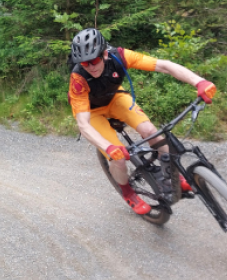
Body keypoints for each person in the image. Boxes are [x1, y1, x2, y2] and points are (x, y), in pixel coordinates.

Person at [67, 27, 217, 215]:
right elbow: (83, 124)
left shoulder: (120, 56)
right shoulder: (78, 78)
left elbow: (164, 65)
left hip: (114, 98)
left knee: (150, 131)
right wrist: (109, 148)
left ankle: (172, 175)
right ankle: (128, 192)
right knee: (118, 159)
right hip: (92, 111)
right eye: (84, 63)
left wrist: (199, 81)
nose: (90, 66)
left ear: (104, 53)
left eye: (94, 60)